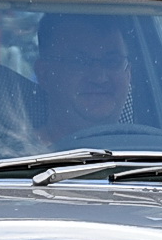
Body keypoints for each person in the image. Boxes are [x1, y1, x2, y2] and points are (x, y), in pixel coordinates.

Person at [33, 14, 132, 145]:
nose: (99, 78)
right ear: (44, 75)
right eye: (79, 62)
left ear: (129, 74)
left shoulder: (157, 152)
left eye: (112, 61)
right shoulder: (14, 159)